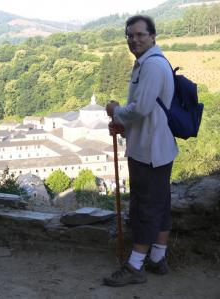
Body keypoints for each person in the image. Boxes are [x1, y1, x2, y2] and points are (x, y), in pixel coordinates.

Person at [104, 15, 178, 286]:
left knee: (145, 208)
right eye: (129, 36)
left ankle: (135, 266)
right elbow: (149, 112)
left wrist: (116, 112)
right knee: (159, 205)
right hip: (154, 146)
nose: (134, 40)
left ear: (152, 36)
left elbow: (141, 109)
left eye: (139, 34)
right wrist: (125, 126)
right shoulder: (147, 63)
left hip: (150, 152)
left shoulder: (152, 66)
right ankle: (157, 259)